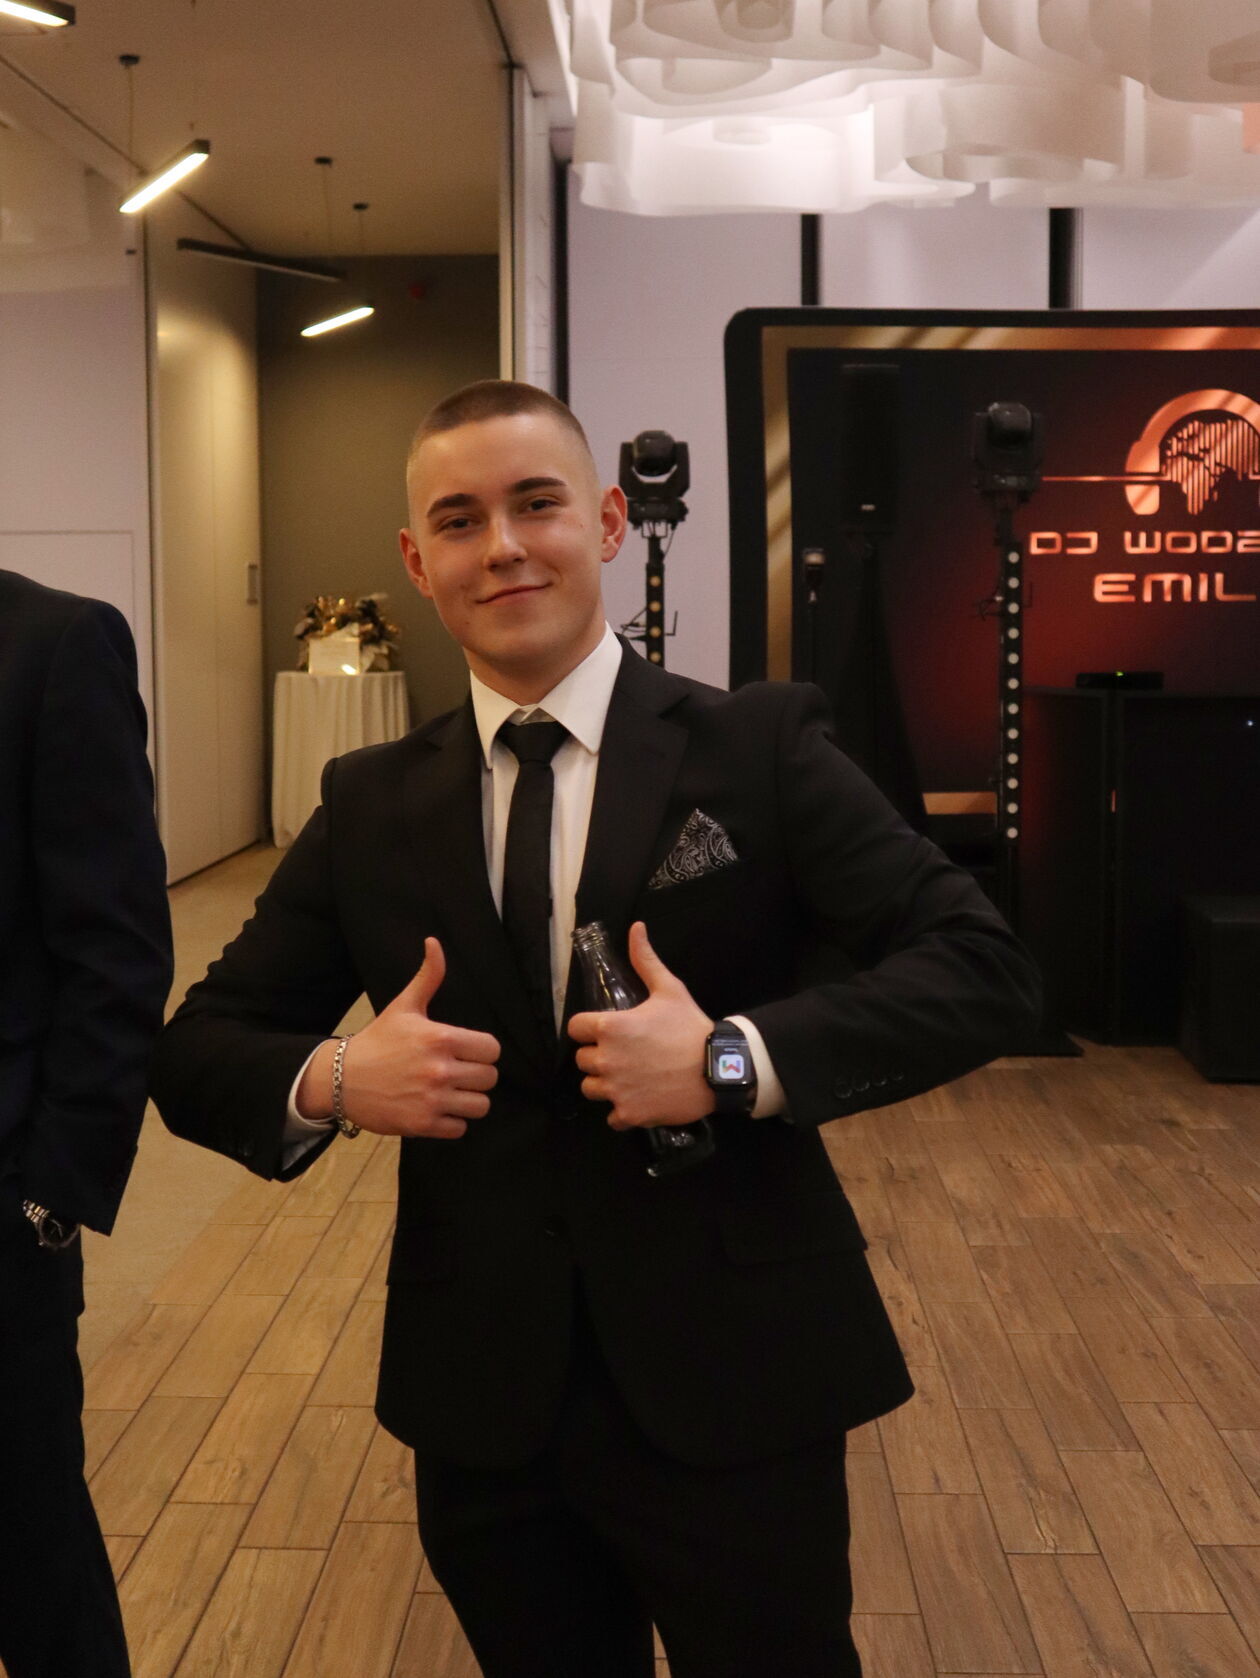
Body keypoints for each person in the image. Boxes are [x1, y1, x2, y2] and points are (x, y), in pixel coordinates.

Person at [151, 380, 1040, 1678]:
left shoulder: (758, 746)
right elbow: (196, 1050)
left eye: (537, 504)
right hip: (484, 1399)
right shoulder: (370, 802)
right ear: (417, 560)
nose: (503, 546)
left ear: (610, 521)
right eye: (459, 520)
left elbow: (982, 967)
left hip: (738, 1379)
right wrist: (339, 1074)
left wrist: (731, 1059)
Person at [0, 569, 173, 1678]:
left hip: (3, 1214)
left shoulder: (53, 646)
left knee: (32, 1555)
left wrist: (49, 1201)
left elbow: (118, 951)